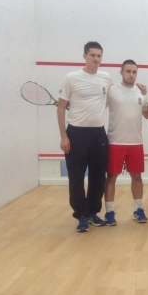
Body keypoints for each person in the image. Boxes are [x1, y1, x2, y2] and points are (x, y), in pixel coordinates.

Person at [57, 41, 114, 232]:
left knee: (98, 177)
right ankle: (81, 215)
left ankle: (92, 213)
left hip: (98, 134)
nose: (96, 58)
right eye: (92, 55)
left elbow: (118, 94)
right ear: (85, 56)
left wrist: (137, 87)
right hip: (76, 133)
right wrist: (63, 136)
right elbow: (61, 108)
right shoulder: (71, 78)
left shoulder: (106, 78)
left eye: (99, 55)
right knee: (76, 177)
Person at [103, 60, 148, 225]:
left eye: (134, 72)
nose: (131, 75)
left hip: (136, 142)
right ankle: (109, 212)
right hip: (115, 142)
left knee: (137, 177)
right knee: (111, 177)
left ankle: (138, 210)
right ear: (121, 72)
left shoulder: (140, 92)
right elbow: (96, 105)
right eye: (128, 71)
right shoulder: (111, 91)